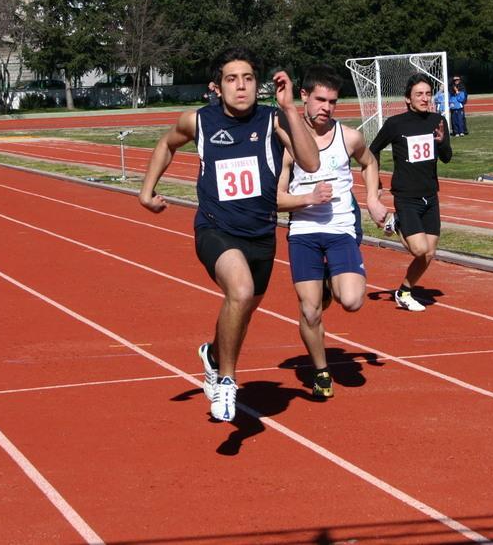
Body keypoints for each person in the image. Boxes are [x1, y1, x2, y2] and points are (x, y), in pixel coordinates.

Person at [138, 47, 319, 422]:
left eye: (249, 79)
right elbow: (166, 144)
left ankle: (214, 355)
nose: (241, 86)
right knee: (239, 291)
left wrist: (288, 108)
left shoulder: (273, 121)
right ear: (217, 87)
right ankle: (226, 380)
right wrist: (146, 190)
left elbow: (311, 162)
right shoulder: (199, 121)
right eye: (232, 79)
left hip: (261, 234)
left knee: (241, 312)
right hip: (215, 229)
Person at [277, 65, 388, 398]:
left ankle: (330, 281)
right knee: (310, 310)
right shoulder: (286, 140)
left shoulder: (349, 137)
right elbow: (277, 200)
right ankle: (321, 370)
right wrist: (308, 198)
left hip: (340, 228)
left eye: (333, 101)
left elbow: (369, 163)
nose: (326, 107)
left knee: (352, 301)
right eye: (320, 99)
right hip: (304, 231)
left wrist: (371, 198)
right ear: (305, 97)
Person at [369, 73, 453, 312]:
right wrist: (375, 181)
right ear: (408, 99)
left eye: (428, 94)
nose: (424, 98)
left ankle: (404, 291)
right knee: (419, 249)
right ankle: (396, 223)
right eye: (419, 94)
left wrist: (441, 141)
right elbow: (372, 150)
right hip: (406, 195)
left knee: (428, 254)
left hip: (430, 195)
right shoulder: (396, 124)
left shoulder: (438, 120)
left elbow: (447, 158)